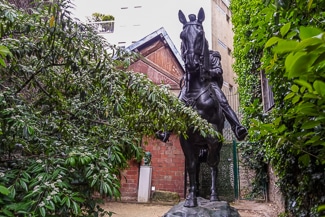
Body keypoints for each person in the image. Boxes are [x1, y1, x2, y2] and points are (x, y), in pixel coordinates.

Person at [209, 50, 248, 141]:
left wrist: (206, 72)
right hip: (196, 86)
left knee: (223, 103)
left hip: (211, 83)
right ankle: (169, 128)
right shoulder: (193, 56)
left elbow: (218, 71)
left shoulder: (212, 55)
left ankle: (237, 127)